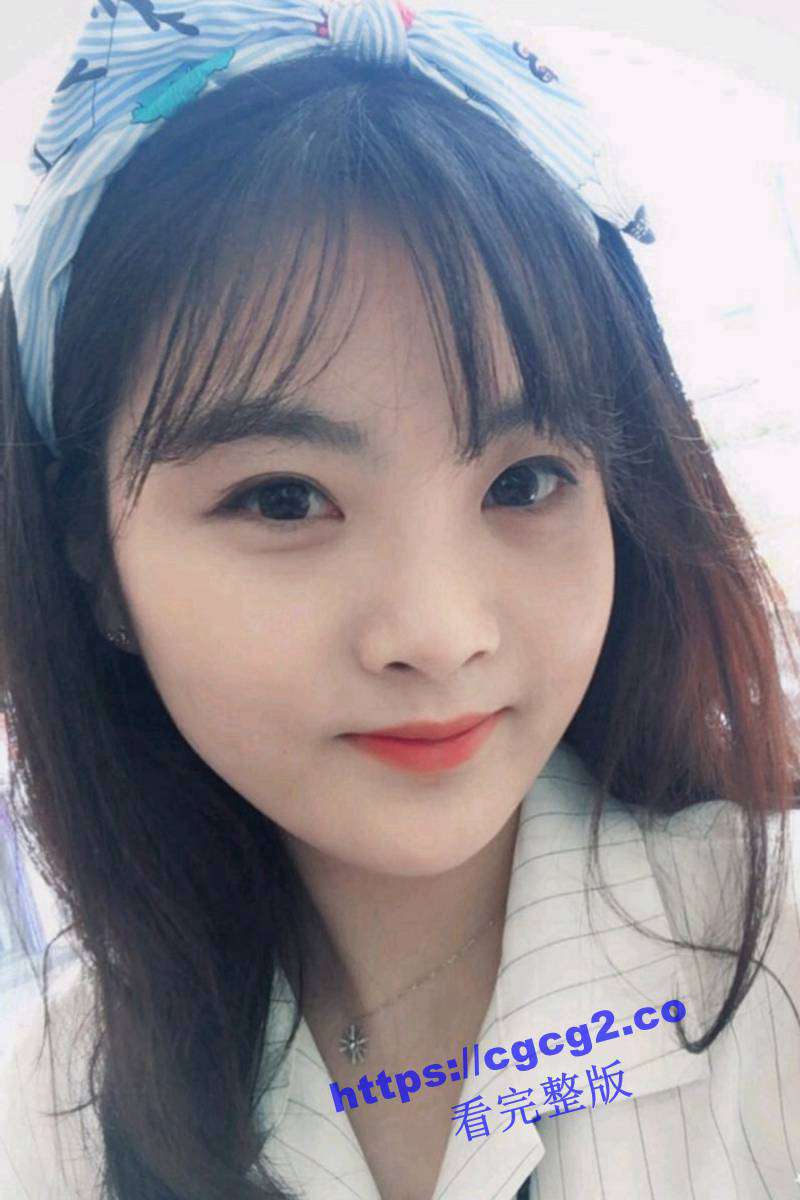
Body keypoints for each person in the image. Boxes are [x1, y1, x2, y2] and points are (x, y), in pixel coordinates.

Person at [0, 2, 798, 1198]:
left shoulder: (779, 957)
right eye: (283, 500)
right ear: (94, 565)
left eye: (524, 482)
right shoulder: (40, 1123)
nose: (437, 634)